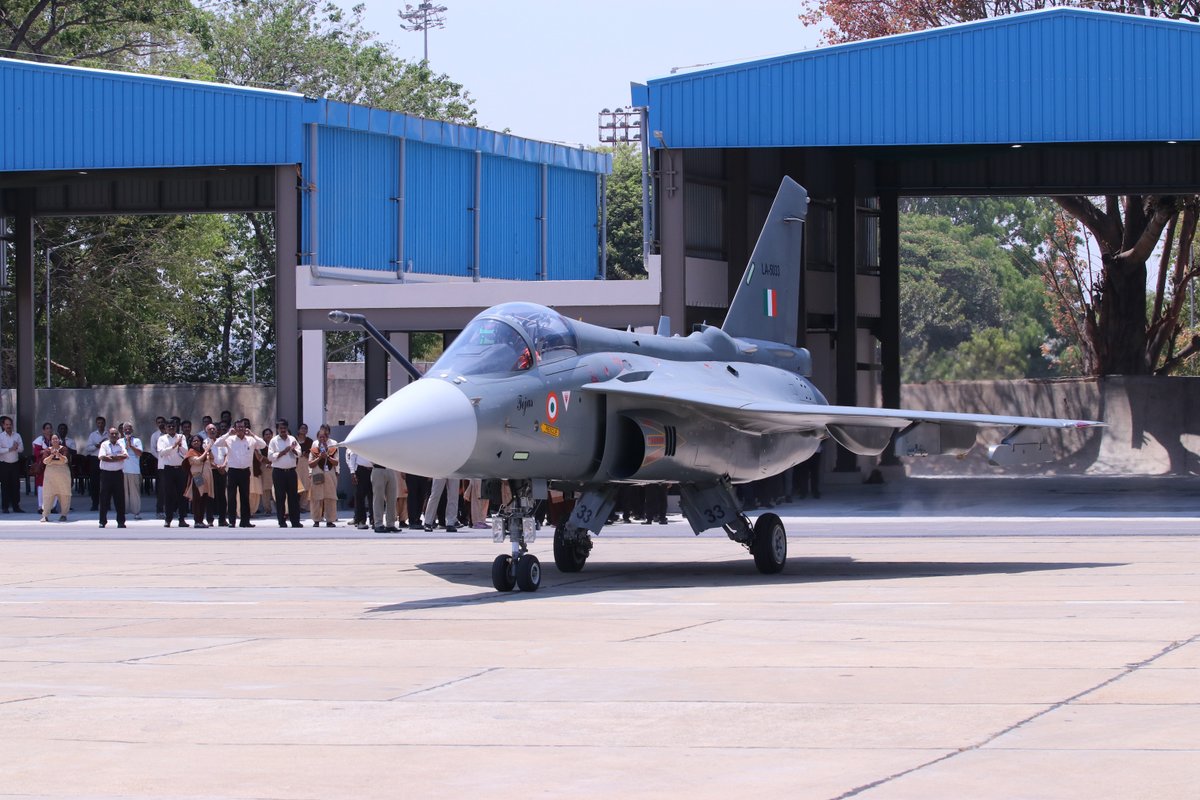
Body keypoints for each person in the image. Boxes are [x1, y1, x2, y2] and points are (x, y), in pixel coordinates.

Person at [215, 420, 265, 528]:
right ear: (234, 428)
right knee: (232, 497)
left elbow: (263, 444)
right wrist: (228, 433)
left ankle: (245, 521)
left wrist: (252, 434)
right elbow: (217, 443)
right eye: (238, 427)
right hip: (233, 471)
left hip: (245, 471)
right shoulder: (229, 439)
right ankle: (232, 521)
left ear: (245, 428)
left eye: (242, 427)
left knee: (245, 497)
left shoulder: (251, 440)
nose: (240, 429)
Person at [267, 419, 303, 528]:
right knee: (280, 497)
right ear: (277, 429)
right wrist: (283, 452)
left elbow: (299, 453)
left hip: (291, 472)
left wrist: (292, 450)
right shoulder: (274, 441)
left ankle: (295, 521)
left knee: (293, 497)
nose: (283, 430)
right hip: (279, 472)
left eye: (285, 428)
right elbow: (270, 457)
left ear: (287, 429)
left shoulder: (292, 439)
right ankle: (282, 521)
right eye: (281, 428)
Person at [156, 420, 189, 528]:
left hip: (180, 469)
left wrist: (179, 445)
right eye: (169, 426)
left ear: (176, 427)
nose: (171, 428)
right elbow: (162, 452)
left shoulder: (181, 437)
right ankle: (168, 519)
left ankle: (182, 519)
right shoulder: (162, 438)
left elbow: (186, 451)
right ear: (165, 428)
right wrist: (174, 446)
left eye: (173, 426)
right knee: (168, 495)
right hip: (168, 469)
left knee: (182, 495)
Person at [307, 424, 339, 527]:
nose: (322, 438)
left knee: (330, 497)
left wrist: (328, 457)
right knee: (316, 497)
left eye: (324, 436)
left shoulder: (333, 445)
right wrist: (320, 458)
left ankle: (330, 520)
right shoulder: (314, 446)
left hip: (330, 474)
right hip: (317, 473)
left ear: (327, 435)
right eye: (320, 436)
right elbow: (310, 463)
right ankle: (316, 519)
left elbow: (337, 462)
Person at [97, 426, 127, 528]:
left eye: (115, 434)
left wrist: (113, 457)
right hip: (106, 475)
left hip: (118, 474)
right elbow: (102, 457)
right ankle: (102, 521)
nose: (114, 435)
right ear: (108, 435)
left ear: (118, 435)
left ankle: (121, 522)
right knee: (104, 499)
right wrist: (117, 458)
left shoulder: (121, 444)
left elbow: (125, 456)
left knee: (120, 499)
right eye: (112, 434)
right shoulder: (104, 444)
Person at [182, 434, 214, 529]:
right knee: (197, 498)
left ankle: (201, 520)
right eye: (194, 441)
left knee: (204, 498)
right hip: (198, 477)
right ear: (191, 443)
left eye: (198, 441)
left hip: (207, 477)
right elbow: (198, 461)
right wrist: (206, 452)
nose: (196, 442)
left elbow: (211, 459)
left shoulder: (203, 451)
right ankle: (197, 521)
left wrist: (208, 451)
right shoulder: (191, 452)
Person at [40, 434, 71, 522]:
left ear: (59, 440)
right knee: (48, 495)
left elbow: (65, 460)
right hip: (50, 476)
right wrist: (52, 455)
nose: (55, 440)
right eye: (53, 439)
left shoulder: (63, 449)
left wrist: (58, 454)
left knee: (64, 494)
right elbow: (45, 461)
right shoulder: (47, 450)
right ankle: (45, 515)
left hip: (63, 475)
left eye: (56, 439)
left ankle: (64, 514)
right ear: (51, 441)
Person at [205, 423, 228, 526]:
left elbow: (227, 454)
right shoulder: (205, 442)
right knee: (210, 496)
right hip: (211, 471)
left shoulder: (221, 442)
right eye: (210, 429)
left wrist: (223, 465)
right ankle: (210, 519)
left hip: (222, 471)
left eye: (214, 429)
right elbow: (206, 458)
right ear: (207, 431)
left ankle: (222, 519)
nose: (212, 431)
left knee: (222, 496)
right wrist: (217, 466)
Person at [120, 423, 144, 520]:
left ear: (132, 430)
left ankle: (136, 512)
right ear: (123, 431)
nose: (127, 430)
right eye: (125, 429)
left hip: (134, 469)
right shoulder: (119, 441)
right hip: (122, 469)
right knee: (123, 491)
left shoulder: (137, 441)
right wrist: (127, 444)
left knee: (135, 492)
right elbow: (121, 452)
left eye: (129, 429)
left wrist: (131, 445)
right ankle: (123, 510)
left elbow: (140, 453)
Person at [0, 415, 24, 513]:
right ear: (3, 425)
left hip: (15, 464)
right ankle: (5, 507)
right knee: (5, 486)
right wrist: (9, 449)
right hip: (4, 464)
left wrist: (16, 447)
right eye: (6, 424)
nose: (8, 426)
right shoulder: (1, 436)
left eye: (10, 424)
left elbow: (22, 449)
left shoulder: (17, 436)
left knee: (15, 485)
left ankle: (16, 506)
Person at [346, 447, 374, 529]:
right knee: (360, 496)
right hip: (361, 470)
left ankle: (374, 520)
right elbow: (352, 457)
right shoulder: (359, 442)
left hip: (373, 470)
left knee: (373, 496)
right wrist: (352, 472)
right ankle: (361, 520)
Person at [30, 422, 53, 515]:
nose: (49, 430)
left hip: (53, 465)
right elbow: (36, 453)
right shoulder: (39, 440)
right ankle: (41, 506)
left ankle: (52, 507)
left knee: (53, 485)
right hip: (42, 466)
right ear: (43, 430)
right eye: (47, 428)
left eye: (50, 428)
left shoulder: (54, 439)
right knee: (41, 486)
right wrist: (46, 450)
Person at [371, 463, 399, 533]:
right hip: (378, 469)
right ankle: (378, 524)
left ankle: (390, 524)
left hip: (391, 469)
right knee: (378, 498)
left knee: (392, 498)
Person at [148, 415, 167, 518]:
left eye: (162, 422)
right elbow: (153, 450)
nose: (161, 424)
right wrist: (161, 458)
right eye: (158, 422)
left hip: (171, 464)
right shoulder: (155, 436)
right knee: (161, 488)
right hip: (160, 464)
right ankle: (159, 510)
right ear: (156, 424)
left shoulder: (170, 434)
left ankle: (171, 509)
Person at [85, 415, 106, 511]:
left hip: (106, 460)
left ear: (104, 424)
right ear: (96, 424)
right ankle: (95, 503)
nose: (100, 425)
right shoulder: (93, 435)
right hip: (95, 460)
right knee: (94, 483)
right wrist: (97, 446)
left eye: (102, 423)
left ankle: (106, 503)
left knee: (106, 482)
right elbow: (88, 448)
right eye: (99, 423)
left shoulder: (108, 434)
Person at [295, 423, 314, 511]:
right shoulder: (293, 440)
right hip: (296, 464)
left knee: (306, 484)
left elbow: (313, 453)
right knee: (296, 484)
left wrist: (307, 455)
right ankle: (295, 506)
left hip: (306, 464)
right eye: (301, 428)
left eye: (305, 428)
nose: (303, 430)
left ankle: (303, 506)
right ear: (298, 430)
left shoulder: (310, 441)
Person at [258, 426, 275, 516]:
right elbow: (260, 457)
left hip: (275, 467)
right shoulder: (261, 446)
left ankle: (279, 508)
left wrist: (272, 461)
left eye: (269, 434)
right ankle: (267, 509)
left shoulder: (275, 444)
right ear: (263, 436)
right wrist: (268, 461)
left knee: (275, 489)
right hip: (265, 468)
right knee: (266, 490)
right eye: (266, 434)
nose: (268, 436)